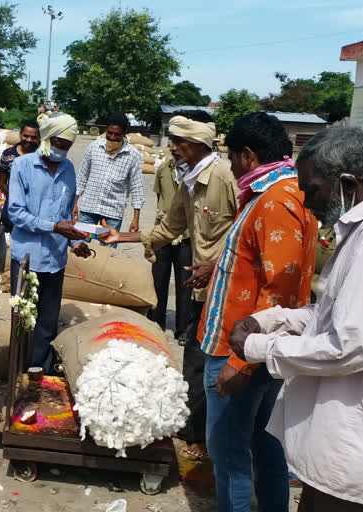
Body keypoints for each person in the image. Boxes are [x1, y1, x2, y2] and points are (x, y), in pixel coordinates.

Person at [228, 127, 363, 512]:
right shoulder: (359, 231)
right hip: (337, 447)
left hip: (352, 450)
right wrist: (270, 320)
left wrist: (259, 346)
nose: (307, 204)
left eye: (313, 189)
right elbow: (334, 310)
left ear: (347, 183)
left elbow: (351, 344)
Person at [194, 112, 318, 511]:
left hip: (243, 350)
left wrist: (239, 360)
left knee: (231, 453)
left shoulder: (275, 202)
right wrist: (221, 265)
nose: (229, 168)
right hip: (257, 349)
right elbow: (267, 259)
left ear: (248, 155)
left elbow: (279, 291)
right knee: (265, 446)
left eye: (231, 158)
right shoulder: (282, 193)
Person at [100, 110, 238, 461]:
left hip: (228, 288)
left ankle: (207, 440)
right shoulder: (187, 179)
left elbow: (246, 230)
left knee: (213, 363)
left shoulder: (224, 176)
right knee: (194, 356)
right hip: (201, 288)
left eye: (178, 142)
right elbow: (169, 227)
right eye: (172, 141)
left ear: (197, 144)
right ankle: (192, 427)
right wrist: (124, 236)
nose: (172, 147)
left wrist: (218, 265)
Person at [8, 112, 92, 372]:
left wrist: (74, 242)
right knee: (23, 320)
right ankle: (18, 374)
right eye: (58, 144)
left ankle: (39, 372)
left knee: (47, 322)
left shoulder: (68, 169)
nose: (61, 150)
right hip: (27, 258)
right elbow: (16, 213)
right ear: (46, 138)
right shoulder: (22, 166)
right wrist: (54, 227)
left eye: (66, 146)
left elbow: (66, 216)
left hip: (55, 260)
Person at [73, 112, 144, 244]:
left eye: (117, 134)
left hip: (112, 212)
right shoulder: (94, 148)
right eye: (109, 133)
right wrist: (75, 202)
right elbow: (82, 176)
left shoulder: (133, 156)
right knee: (80, 243)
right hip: (89, 209)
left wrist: (136, 218)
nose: (112, 137)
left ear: (124, 134)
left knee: (107, 251)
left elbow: (137, 187)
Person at [149, 155, 192, 344]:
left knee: (185, 282)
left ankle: (183, 329)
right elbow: (159, 196)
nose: (175, 149)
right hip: (162, 231)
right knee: (158, 279)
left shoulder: (196, 171)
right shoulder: (164, 169)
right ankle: (155, 323)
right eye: (173, 143)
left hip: (187, 234)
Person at [0, 119, 40, 232]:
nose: (29, 140)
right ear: (20, 134)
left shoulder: (42, 156)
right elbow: (2, 183)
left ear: (39, 138)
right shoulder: (8, 154)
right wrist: (16, 197)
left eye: (34, 137)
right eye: (26, 136)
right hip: (12, 208)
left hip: (36, 211)